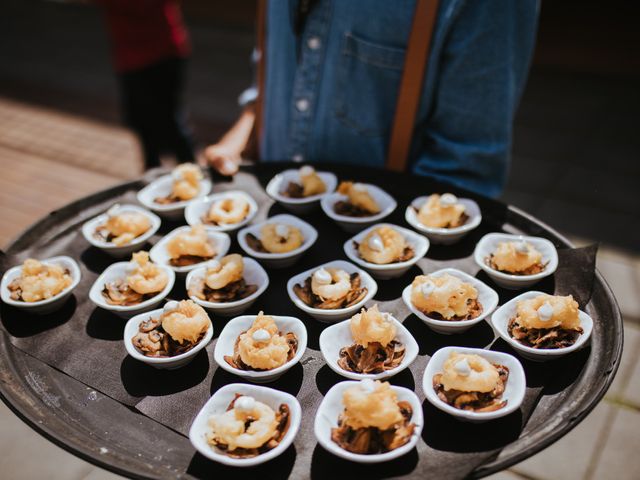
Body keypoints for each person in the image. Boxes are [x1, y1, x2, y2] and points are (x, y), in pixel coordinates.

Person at [205, 0, 539, 198]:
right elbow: (280, 55)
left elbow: (465, 169)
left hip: (382, 274)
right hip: (269, 220)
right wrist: (249, 124)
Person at [100, 0, 195, 169]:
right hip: (129, 55)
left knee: (171, 121)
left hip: (164, 50)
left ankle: (195, 176)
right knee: (142, 123)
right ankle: (152, 175)